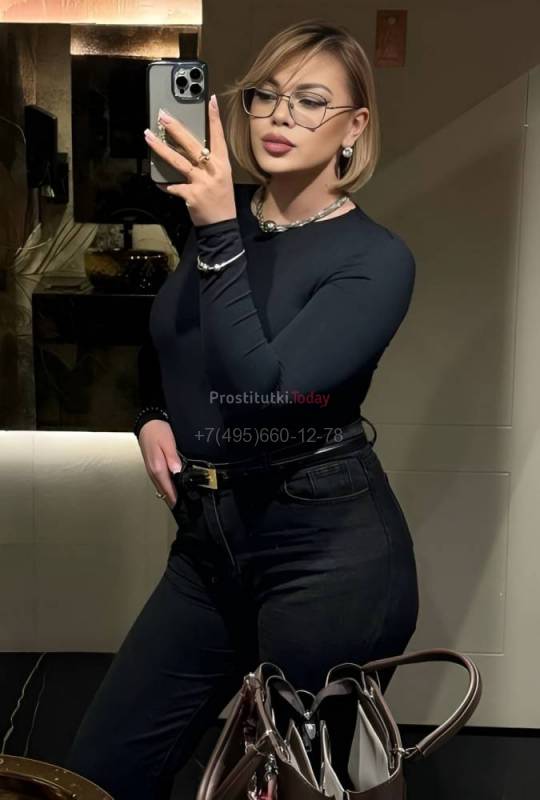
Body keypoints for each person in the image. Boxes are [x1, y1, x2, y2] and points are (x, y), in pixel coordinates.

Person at [64, 18, 420, 800]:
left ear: (355, 127)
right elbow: (175, 340)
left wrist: (219, 228)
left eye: (311, 100)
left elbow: (270, 394)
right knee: (101, 772)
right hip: (207, 543)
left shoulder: (375, 260)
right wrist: (150, 413)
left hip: (324, 551)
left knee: (305, 787)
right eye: (266, 94)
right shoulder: (221, 225)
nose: (280, 115)